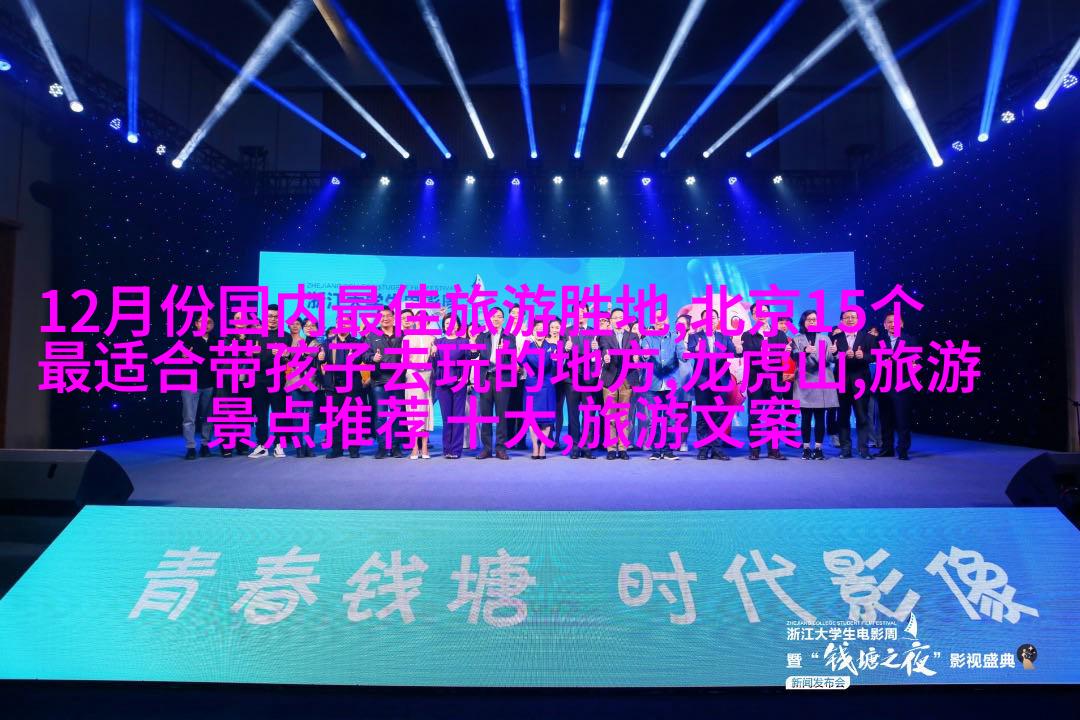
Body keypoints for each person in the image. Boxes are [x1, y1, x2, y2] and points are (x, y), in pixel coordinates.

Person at [791, 310, 840, 460]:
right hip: (804, 381)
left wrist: (835, 352)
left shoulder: (825, 338)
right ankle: (806, 448)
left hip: (822, 380)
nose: (812, 322)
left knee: (820, 417)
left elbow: (832, 359)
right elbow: (794, 356)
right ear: (803, 322)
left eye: (814, 319)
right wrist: (805, 351)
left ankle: (818, 448)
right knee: (805, 417)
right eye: (809, 319)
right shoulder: (797, 338)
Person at [687, 309, 734, 461]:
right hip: (702, 381)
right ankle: (703, 449)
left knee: (719, 415)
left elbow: (733, 352)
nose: (710, 321)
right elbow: (691, 350)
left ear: (718, 320)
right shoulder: (695, 337)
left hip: (720, 382)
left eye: (713, 318)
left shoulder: (724, 337)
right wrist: (696, 350)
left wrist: (737, 347)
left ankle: (717, 449)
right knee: (703, 415)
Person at [468, 307, 515, 459]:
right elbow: (474, 356)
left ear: (503, 319)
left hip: (502, 378)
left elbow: (512, 361)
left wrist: (505, 352)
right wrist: (473, 346)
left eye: (499, 316)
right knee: (486, 415)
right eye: (493, 316)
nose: (496, 319)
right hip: (486, 378)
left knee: (502, 415)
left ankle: (501, 448)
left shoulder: (510, 337)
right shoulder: (482, 337)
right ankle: (487, 448)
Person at [363, 306, 406, 458]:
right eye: (382, 316)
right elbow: (364, 355)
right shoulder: (371, 335)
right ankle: (382, 447)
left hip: (397, 380)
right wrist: (372, 358)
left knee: (396, 415)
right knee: (380, 415)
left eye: (388, 315)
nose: (385, 318)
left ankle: (395, 447)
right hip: (379, 380)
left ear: (393, 318)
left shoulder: (402, 334)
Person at [835, 308, 876, 460]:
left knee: (862, 416)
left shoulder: (868, 337)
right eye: (847, 317)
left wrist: (863, 355)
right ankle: (845, 449)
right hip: (841, 381)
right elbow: (831, 356)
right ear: (842, 321)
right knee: (843, 417)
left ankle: (864, 449)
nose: (850, 320)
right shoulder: (835, 337)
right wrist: (841, 355)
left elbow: (875, 356)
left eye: (853, 317)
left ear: (858, 320)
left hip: (861, 381)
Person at [598, 308, 639, 460]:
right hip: (610, 379)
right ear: (611, 321)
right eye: (615, 318)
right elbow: (604, 349)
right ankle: (611, 449)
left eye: (621, 317)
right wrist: (605, 356)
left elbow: (636, 351)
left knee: (623, 416)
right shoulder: (605, 335)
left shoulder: (632, 336)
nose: (618, 320)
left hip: (626, 380)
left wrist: (636, 356)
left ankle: (622, 448)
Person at [249, 304, 287, 459]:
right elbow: (254, 360)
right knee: (261, 413)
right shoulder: (255, 336)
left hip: (278, 379)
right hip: (259, 379)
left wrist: (284, 356)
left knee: (279, 413)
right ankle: (262, 445)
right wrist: (270, 353)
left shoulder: (285, 336)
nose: (273, 319)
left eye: (276, 317)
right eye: (270, 316)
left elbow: (286, 360)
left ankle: (279, 444)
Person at [639, 317, 680, 460]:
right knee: (653, 419)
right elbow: (644, 354)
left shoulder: (675, 337)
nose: (659, 321)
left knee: (671, 419)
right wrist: (645, 355)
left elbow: (681, 353)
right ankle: (656, 450)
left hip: (671, 385)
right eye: (657, 318)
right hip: (653, 385)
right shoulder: (648, 338)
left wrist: (686, 354)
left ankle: (668, 450)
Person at [875, 312, 915, 460]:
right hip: (883, 383)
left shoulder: (909, 340)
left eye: (896, 321)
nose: (893, 324)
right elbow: (874, 357)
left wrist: (895, 362)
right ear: (885, 325)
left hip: (902, 384)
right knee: (885, 418)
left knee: (902, 419)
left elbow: (914, 360)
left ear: (902, 324)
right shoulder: (879, 340)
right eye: (889, 322)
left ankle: (903, 449)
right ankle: (887, 448)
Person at [564, 308, 602, 459]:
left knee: (588, 414)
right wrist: (565, 348)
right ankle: (574, 446)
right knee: (573, 414)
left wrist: (597, 350)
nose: (580, 315)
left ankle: (587, 446)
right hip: (571, 379)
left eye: (583, 312)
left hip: (589, 380)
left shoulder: (595, 332)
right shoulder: (566, 332)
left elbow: (602, 356)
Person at [282, 316, 321, 457]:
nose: (309, 328)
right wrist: (286, 356)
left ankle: (309, 447)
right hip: (295, 382)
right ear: (303, 329)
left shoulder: (319, 344)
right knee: (297, 416)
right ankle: (299, 447)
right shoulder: (297, 341)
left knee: (310, 417)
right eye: (307, 326)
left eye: (313, 326)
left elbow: (308, 357)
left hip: (312, 383)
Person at [322, 323, 362, 459]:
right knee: (334, 418)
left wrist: (353, 358)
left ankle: (354, 449)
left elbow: (360, 359)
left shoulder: (357, 342)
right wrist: (321, 357)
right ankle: (336, 448)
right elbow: (322, 358)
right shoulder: (328, 342)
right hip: (333, 385)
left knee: (353, 417)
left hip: (351, 384)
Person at [402, 309, 437, 460]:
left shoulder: (432, 338)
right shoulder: (407, 338)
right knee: (414, 410)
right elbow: (405, 360)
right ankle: (414, 447)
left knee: (426, 410)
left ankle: (424, 446)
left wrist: (435, 352)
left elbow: (436, 360)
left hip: (427, 375)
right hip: (413, 374)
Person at [181, 314, 216, 459]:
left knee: (209, 417)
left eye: (209, 322)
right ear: (196, 323)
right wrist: (183, 356)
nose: (206, 324)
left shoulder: (216, 340)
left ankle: (205, 445)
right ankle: (190, 448)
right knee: (189, 417)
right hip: (190, 383)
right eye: (203, 321)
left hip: (210, 384)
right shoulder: (187, 339)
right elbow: (178, 357)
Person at [434, 314, 468, 459]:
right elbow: (434, 363)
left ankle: (456, 450)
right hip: (442, 382)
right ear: (444, 326)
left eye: (453, 322)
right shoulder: (438, 342)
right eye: (447, 323)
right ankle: (447, 449)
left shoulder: (464, 341)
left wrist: (464, 377)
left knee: (458, 417)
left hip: (458, 382)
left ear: (458, 325)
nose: (450, 325)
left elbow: (467, 361)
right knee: (446, 417)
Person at [522, 320, 557, 459]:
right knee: (532, 418)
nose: (539, 331)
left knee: (547, 418)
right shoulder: (527, 345)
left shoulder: (552, 346)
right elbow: (521, 360)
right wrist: (532, 373)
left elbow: (554, 364)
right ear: (532, 331)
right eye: (537, 328)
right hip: (532, 384)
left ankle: (542, 447)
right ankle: (535, 447)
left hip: (547, 384)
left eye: (542, 328)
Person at [547, 318, 569, 448]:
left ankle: (557, 439)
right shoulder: (544, 342)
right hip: (548, 379)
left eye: (557, 327)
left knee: (559, 409)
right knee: (549, 408)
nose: (555, 330)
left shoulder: (565, 342)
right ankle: (549, 437)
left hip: (562, 379)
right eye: (552, 327)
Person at [674, 313, 694, 452]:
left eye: (682, 324)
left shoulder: (693, 339)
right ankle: (673, 440)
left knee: (684, 411)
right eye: (677, 323)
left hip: (687, 380)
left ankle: (683, 441)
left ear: (688, 326)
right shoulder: (671, 338)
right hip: (671, 381)